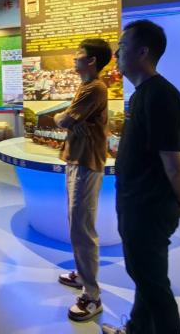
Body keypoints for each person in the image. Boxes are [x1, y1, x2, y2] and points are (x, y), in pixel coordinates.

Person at [102, 20, 180, 334]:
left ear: (142, 52)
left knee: (152, 282)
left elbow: (174, 162)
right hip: (139, 203)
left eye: (122, 46)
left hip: (147, 208)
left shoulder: (159, 95)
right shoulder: (144, 94)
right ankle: (136, 328)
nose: (117, 53)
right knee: (147, 276)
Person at [53, 39, 112, 322]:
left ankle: (92, 296)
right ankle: (82, 275)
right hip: (77, 159)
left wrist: (62, 117)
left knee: (82, 228)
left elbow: (65, 120)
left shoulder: (95, 88)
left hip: (87, 163)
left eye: (79, 55)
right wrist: (69, 119)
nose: (74, 59)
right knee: (76, 224)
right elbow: (71, 120)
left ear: (91, 61)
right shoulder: (85, 86)